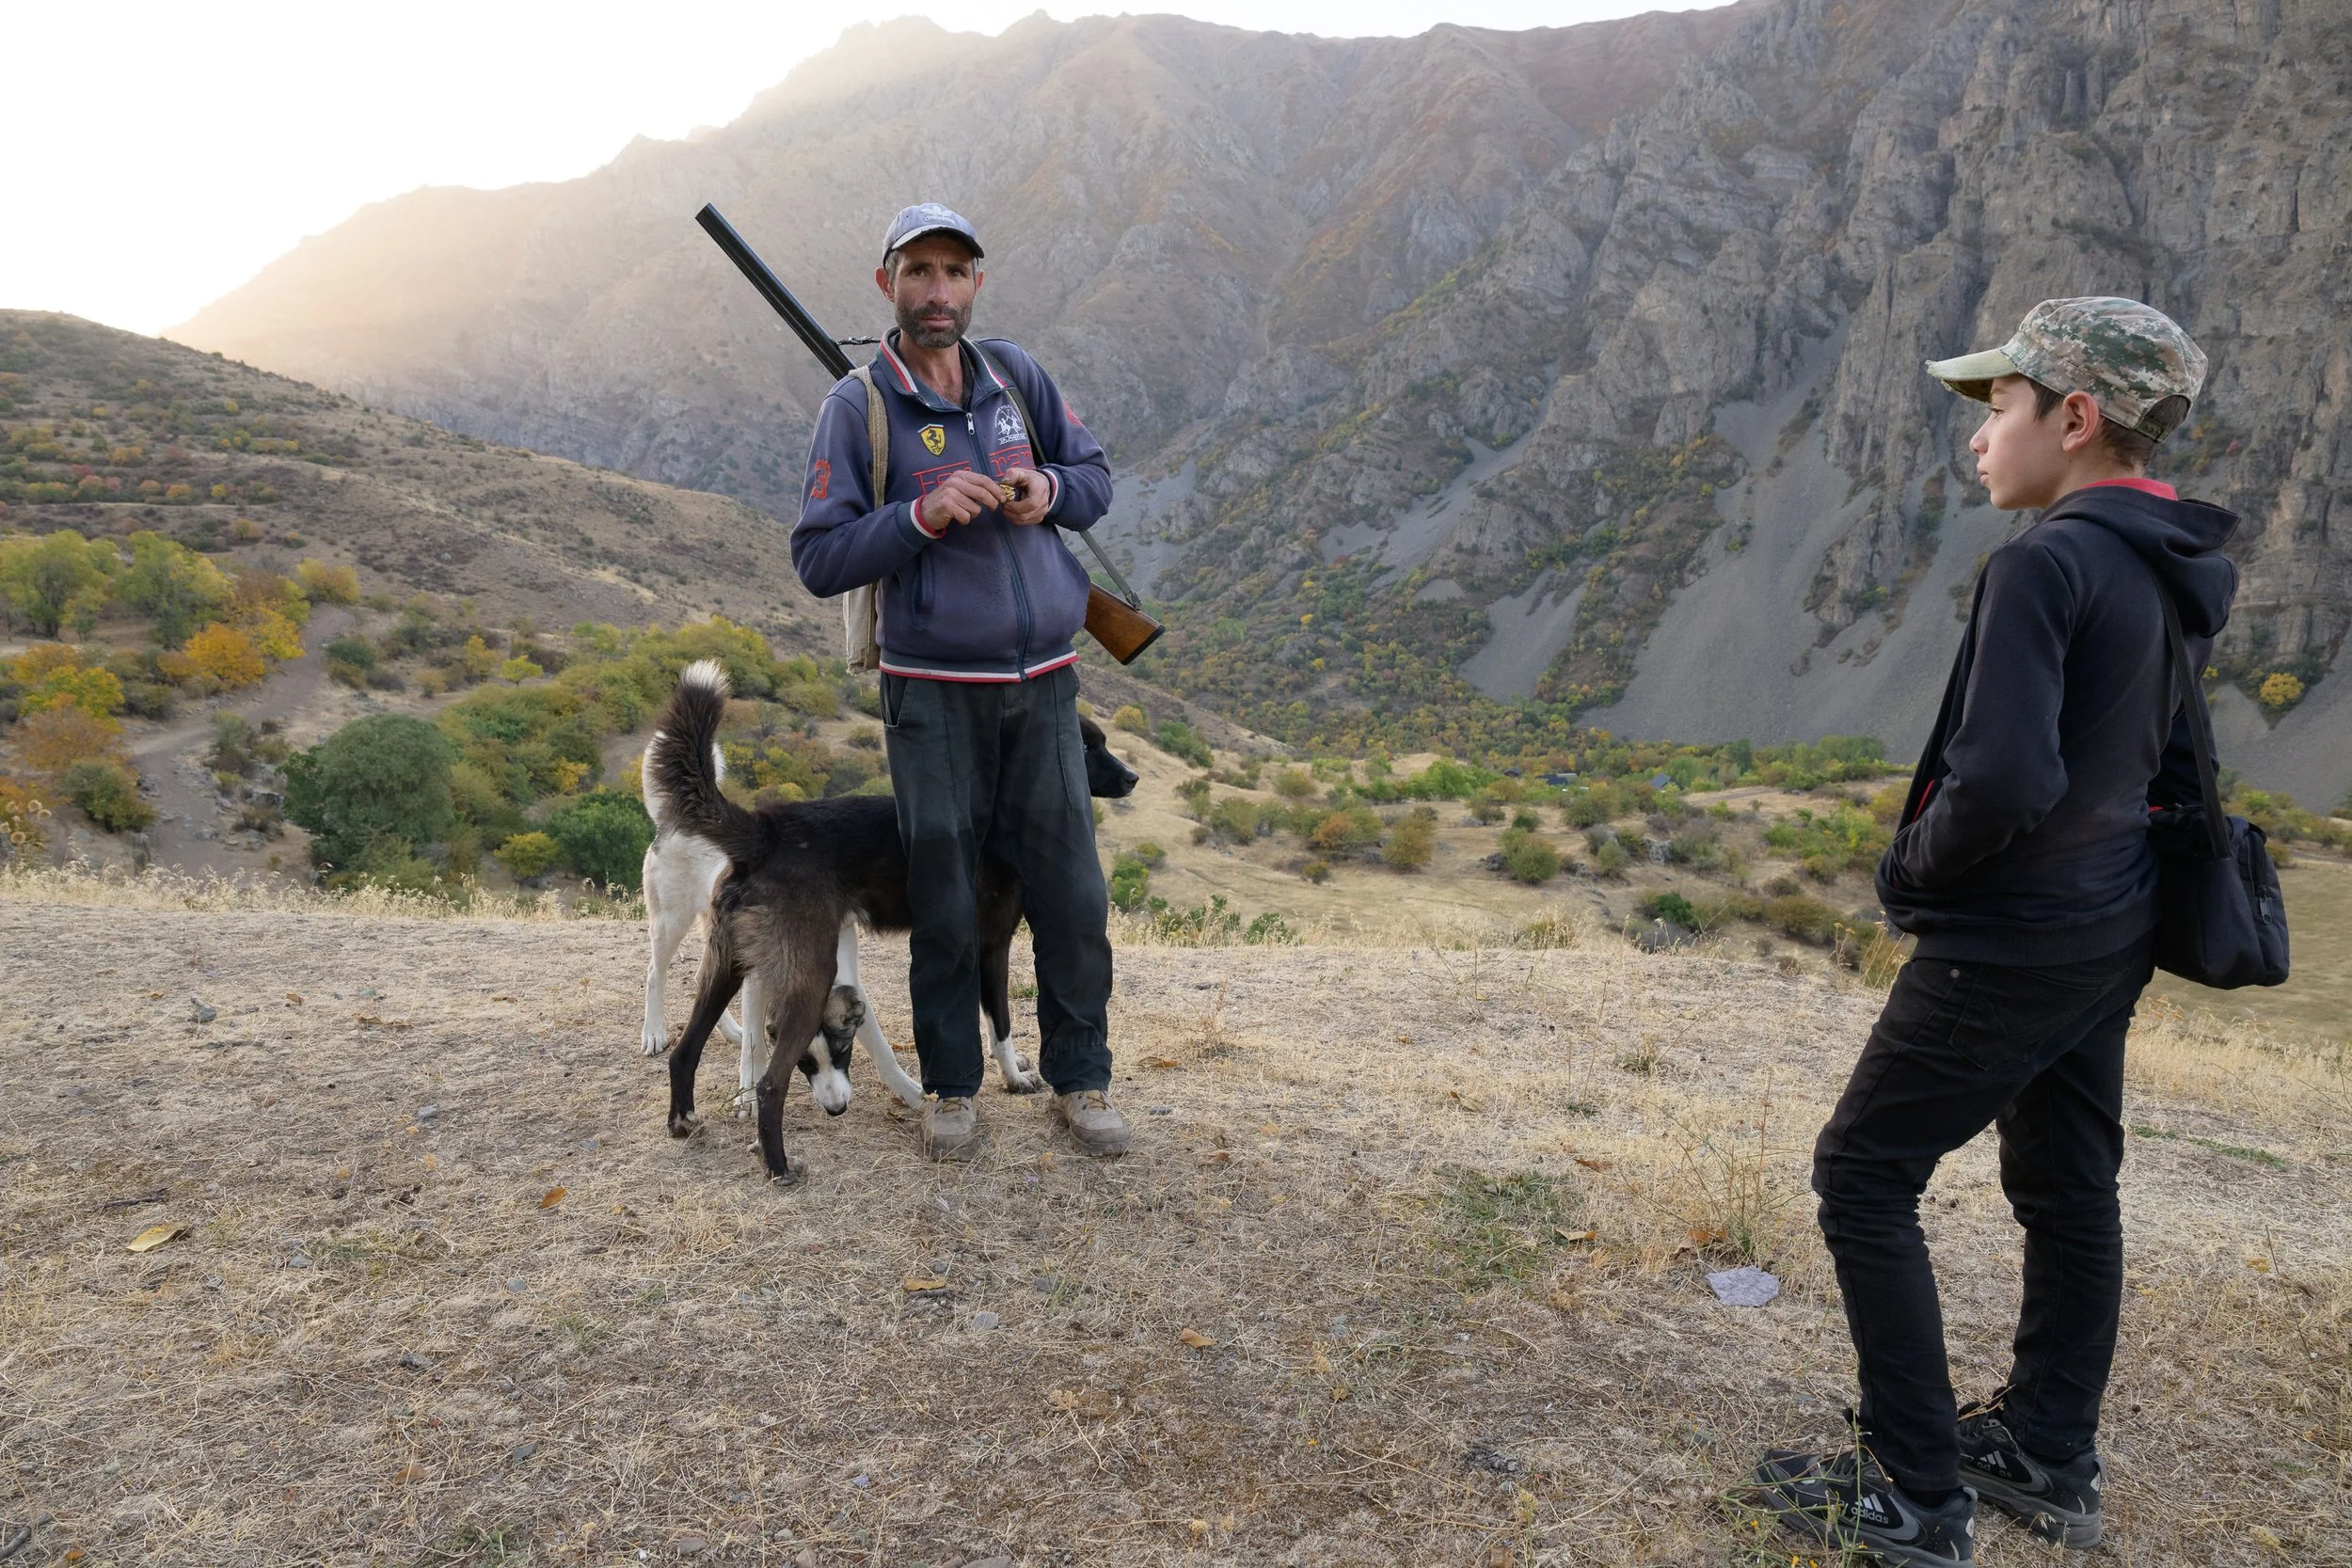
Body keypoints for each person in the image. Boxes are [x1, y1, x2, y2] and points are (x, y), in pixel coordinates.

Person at [1753, 297, 2237, 1566]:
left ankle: (1917, 1498)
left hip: (2015, 936)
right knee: (2069, 1183)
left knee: (1862, 1173)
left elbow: (2007, 781)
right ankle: (2046, 1453)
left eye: (2000, 407)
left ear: (2074, 418)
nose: (1979, 438)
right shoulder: (2159, 554)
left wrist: (1910, 862)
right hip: (2110, 921)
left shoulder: (2043, 560)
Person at [790, 202, 1131, 1162]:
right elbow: (818, 557)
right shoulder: (856, 405)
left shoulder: (1017, 377)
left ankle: (1081, 1077)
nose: (937, 292)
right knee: (943, 891)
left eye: (954, 272)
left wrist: (1048, 492)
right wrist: (924, 513)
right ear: (885, 284)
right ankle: (951, 1087)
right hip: (933, 692)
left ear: (976, 282)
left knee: (1071, 892)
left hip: (1048, 686)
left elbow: (1095, 474)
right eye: (917, 272)